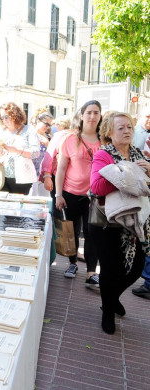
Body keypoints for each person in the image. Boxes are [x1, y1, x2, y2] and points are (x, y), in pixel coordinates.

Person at [89, 111, 150, 333]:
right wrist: (126, 176)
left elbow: (146, 187)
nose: (126, 131)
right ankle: (107, 312)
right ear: (109, 132)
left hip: (135, 223)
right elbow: (96, 188)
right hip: (108, 223)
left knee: (136, 268)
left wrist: (148, 171)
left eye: (129, 127)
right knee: (110, 270)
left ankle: (112, 298)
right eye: (121, 128)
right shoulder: (104, 155)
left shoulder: (137, 153)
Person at [55, 100, 102, 285]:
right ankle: (73, 263)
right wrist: (59, 194)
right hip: (71, 193)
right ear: (82, 115)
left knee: (92, 233)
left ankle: (91, 272)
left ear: (100, 116)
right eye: (89, 112)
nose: (92, 116)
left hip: (95, 196)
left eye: (96, 113)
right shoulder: (70, 140)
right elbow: (61, 168)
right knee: (71, 232)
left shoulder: (105, 140)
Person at [0, 102, 40, 194]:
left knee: (17, 205)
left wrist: (16, 150)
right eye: (2, 117)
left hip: (22, 178)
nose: (4, 120)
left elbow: (36, 153)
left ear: (15, 114)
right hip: (2, 177)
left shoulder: (28, 130)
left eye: (6, 117)